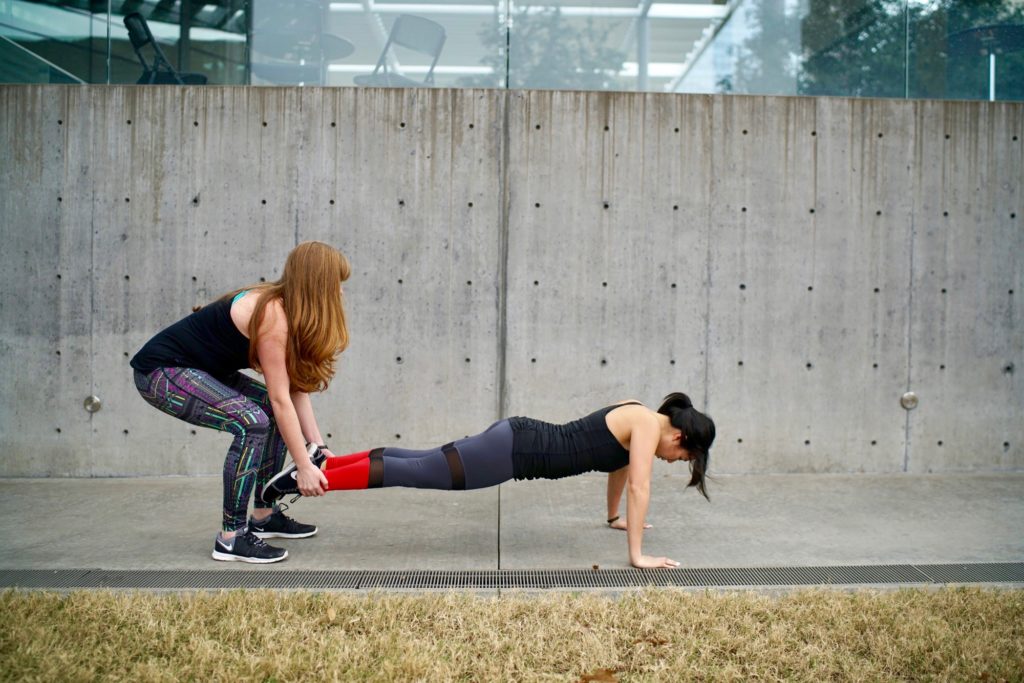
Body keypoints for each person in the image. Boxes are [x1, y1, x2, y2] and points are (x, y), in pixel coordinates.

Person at [263, 393, 715, 569]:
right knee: (414, 470)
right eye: (684, 457)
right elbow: (640, 485)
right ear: (680, 436)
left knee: (415, 462)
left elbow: (621, 471)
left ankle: (324, 464)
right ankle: (304, 479)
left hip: (515, 439)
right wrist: (637, 556)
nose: (675, 460)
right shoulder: (648, 424)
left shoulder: (639, 414)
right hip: (512, 452)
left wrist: (614, 518)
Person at [130, 241, 350, 564]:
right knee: (253, 421)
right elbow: (280, 399)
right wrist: (303, 466)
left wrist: (317, 447)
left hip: (204, 371)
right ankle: (231, 537)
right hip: (162, 372)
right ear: (318, 285)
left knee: (268, 415)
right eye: (336, 284)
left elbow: (295, 388)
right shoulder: (273, 316)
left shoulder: (290, 311)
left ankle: (263, 516)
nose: (341, 293)